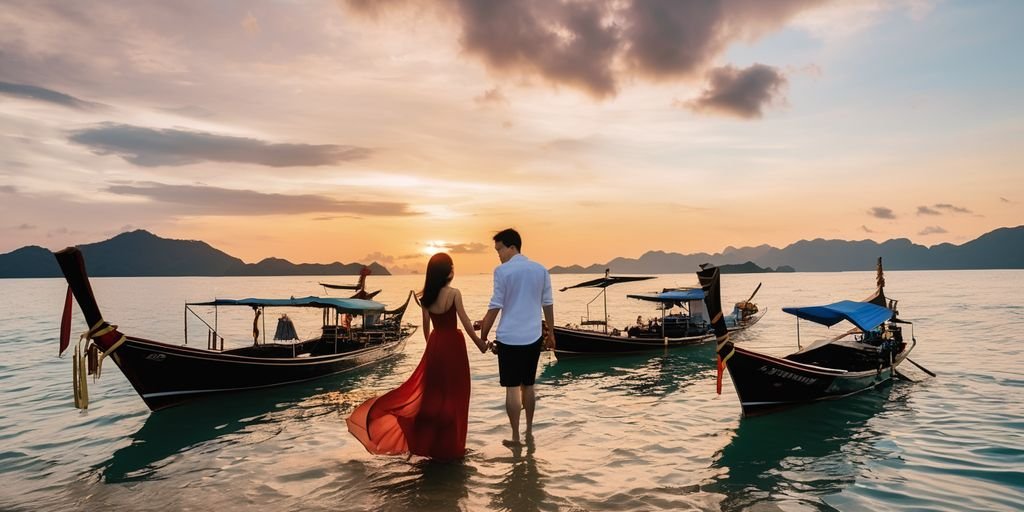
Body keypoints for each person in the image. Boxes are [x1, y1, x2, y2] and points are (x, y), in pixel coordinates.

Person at [346, 252, 489, 460]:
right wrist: (481, 345)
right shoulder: (454, 293)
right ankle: (452, 448)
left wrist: (433, 349)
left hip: (435, 345)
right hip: (454, 347)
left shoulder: (426, 298)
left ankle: (429, 446)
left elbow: (426, 330)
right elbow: (466, 324)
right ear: (448, 272)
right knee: (455, 397)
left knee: (432, 398)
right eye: (452, 267)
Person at [478, 228, 554, 446]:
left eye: (500, 249)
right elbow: (547, 304)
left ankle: (515, 436)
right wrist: (552, 334)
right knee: (528, 385)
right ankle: (529, 431)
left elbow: (495, 306)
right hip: (533, 336)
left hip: (509, 337)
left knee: (512, 388)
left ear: (512, 247)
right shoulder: (541, 270)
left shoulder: (502, 272)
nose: (498, 255)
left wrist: (483, 334)